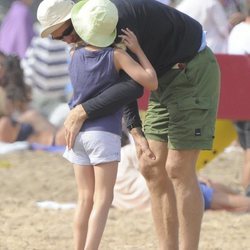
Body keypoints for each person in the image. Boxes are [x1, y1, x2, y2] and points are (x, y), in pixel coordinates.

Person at [37, 0, 220, 249]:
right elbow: (120, 82)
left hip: (191, 69)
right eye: (60, 39)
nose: (68, 42)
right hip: (162, 77)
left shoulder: (108, 20)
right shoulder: (95, 31)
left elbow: (132, 86)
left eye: (66, 34)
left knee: (178, 168)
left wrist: (83, 110)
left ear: (75, 20)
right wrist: (135, 130)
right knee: (151, 166)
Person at [39, 0, 157, 249]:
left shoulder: (74, 54)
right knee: (103, 199)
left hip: (77, 134)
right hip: (103, 134)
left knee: (84, 199)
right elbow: (151, 82)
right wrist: (137, 49)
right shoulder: (117, 56)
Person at [114, 140, 250, 213]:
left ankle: (242, 198)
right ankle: (243, 199)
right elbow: (161, 164)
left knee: (210, 192)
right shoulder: (128, 152)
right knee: (210, 192)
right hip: (164, 193)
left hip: (146, 203)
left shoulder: (107, 179)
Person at [21, 23, 71, 127]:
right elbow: (28, 67)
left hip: (55, 98)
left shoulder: (65, 44)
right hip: (37, 96)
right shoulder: (39, 40)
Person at [228, 1, 250, 196]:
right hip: (247, 96)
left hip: (236, 96)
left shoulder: (236, 31)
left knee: (246, 150)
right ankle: (247, 196)